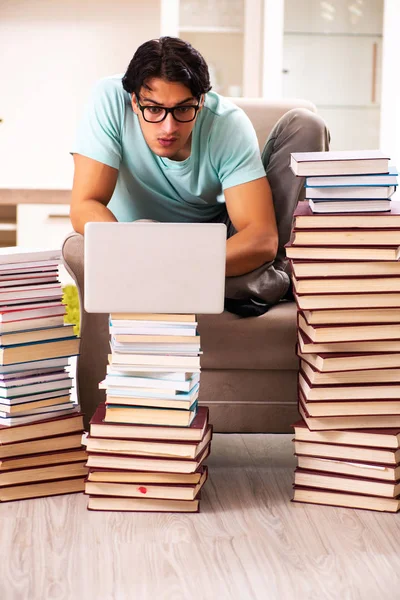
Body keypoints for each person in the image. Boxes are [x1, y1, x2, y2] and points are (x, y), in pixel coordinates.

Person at [70, 36, 329, 317]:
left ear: (201, 101)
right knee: (144, 230)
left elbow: (261, 237)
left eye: (183, 109)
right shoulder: (109, 100)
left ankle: (260, 279)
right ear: (134, 101)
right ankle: (259, 284)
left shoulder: (228, 124)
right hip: (142, 241)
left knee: (306, 124)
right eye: (154, 109)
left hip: (216, 241)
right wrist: (132, 252)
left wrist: (175, 267)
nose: (168, 128)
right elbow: (86, 204)